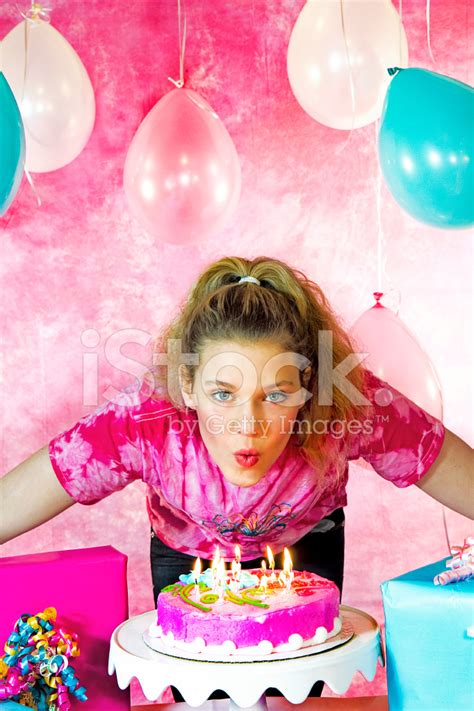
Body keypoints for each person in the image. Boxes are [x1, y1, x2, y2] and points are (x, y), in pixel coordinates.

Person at [1, 256, 473, 701]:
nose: (248, 425)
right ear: (187, 385)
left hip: (306, 545)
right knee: (204, 695)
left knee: (291, 691)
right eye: (223, 394)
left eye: (276, 395)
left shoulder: (350, 405)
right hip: (186, 551)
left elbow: (450, 467)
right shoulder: (143, 420)